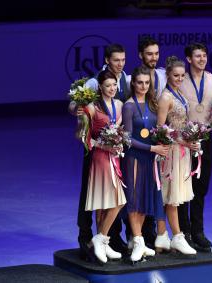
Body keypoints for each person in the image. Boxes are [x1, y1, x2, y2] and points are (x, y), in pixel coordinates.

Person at [70, 43, 130, 258]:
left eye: (123, 60)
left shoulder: (126, 80)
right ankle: (87, 237)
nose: (120, 64)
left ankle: (108, 239)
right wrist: (78, 108)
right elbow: (76, 105)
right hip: (96, 154)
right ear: (107, 60)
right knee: (93, 195)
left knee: (113, 198)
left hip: (114, 154)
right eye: (116, 60)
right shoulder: (94, 82)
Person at [178, 42, 212, 252]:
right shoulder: (181, 80)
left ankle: (198, 231)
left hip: (206, 139)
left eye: (204, 56)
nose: (202, 59)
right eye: (197, 56)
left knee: (200, 188)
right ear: (189, 59)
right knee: (183, 188)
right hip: (184, 140)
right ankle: (184, 232)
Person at [121, 66, 170, 262]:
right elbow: (127, 139)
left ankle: (138, 240)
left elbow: (157, 130)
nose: (143, 86)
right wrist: (152, 149)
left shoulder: (152, 104)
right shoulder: (129, 106)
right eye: (139, 82)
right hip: (134, 157)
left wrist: (162, 141)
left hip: (150, 158)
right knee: (134, 198)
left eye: (147, 83)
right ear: (133, 83)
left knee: (144, 199)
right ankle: (139, 240)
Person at [155, 56, 199, 256]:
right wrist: (183, 140)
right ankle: (177, 237)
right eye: (176, 75)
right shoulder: (166, 97)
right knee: (170, 196)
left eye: (182, 75)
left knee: (171, 196)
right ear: (168, 75)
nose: (179, 78)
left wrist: (192, 137)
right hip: (170, 152)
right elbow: (160, 129)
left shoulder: (179, 93)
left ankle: (162, 235)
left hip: (182, 152)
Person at [84, 70, 127, 263]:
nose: (112, 89)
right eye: (108, 85)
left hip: (114, 157)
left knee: (113, 201)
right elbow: (82, 136)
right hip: (101, 158)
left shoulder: (119, 105)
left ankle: (102, 240)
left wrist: (118, 141)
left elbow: (122, 129)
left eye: (114, 85)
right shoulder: (92, 108)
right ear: (100, 86)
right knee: (106, 202)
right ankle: (101, 239)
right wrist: (102, 145)